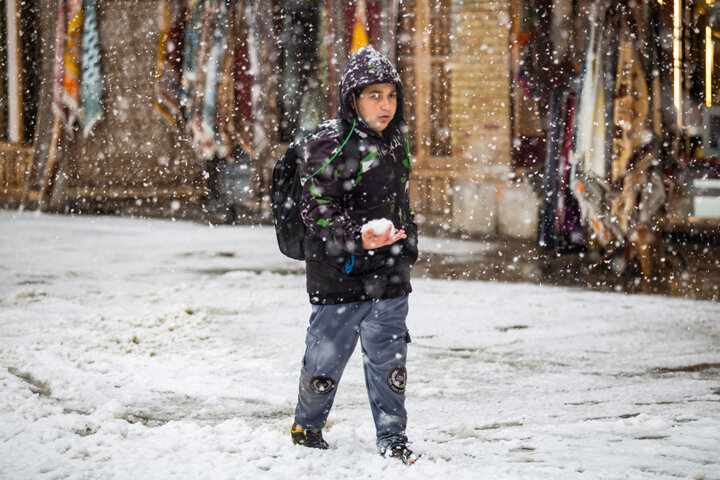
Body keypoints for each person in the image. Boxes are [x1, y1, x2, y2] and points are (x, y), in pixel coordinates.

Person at [290, 46, 419, 464]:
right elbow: (316, 207)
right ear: (352, 99)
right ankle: (307, 428)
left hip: (390, 268)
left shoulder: (395, 138)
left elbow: (401, 202)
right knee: (324, 361)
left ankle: (393, 436)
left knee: (389, 360)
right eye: (374, 95)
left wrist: (407, 240)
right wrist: (358, 237)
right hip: (338, 273)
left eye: (391, 95)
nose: (386, 105)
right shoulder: (330, 140)